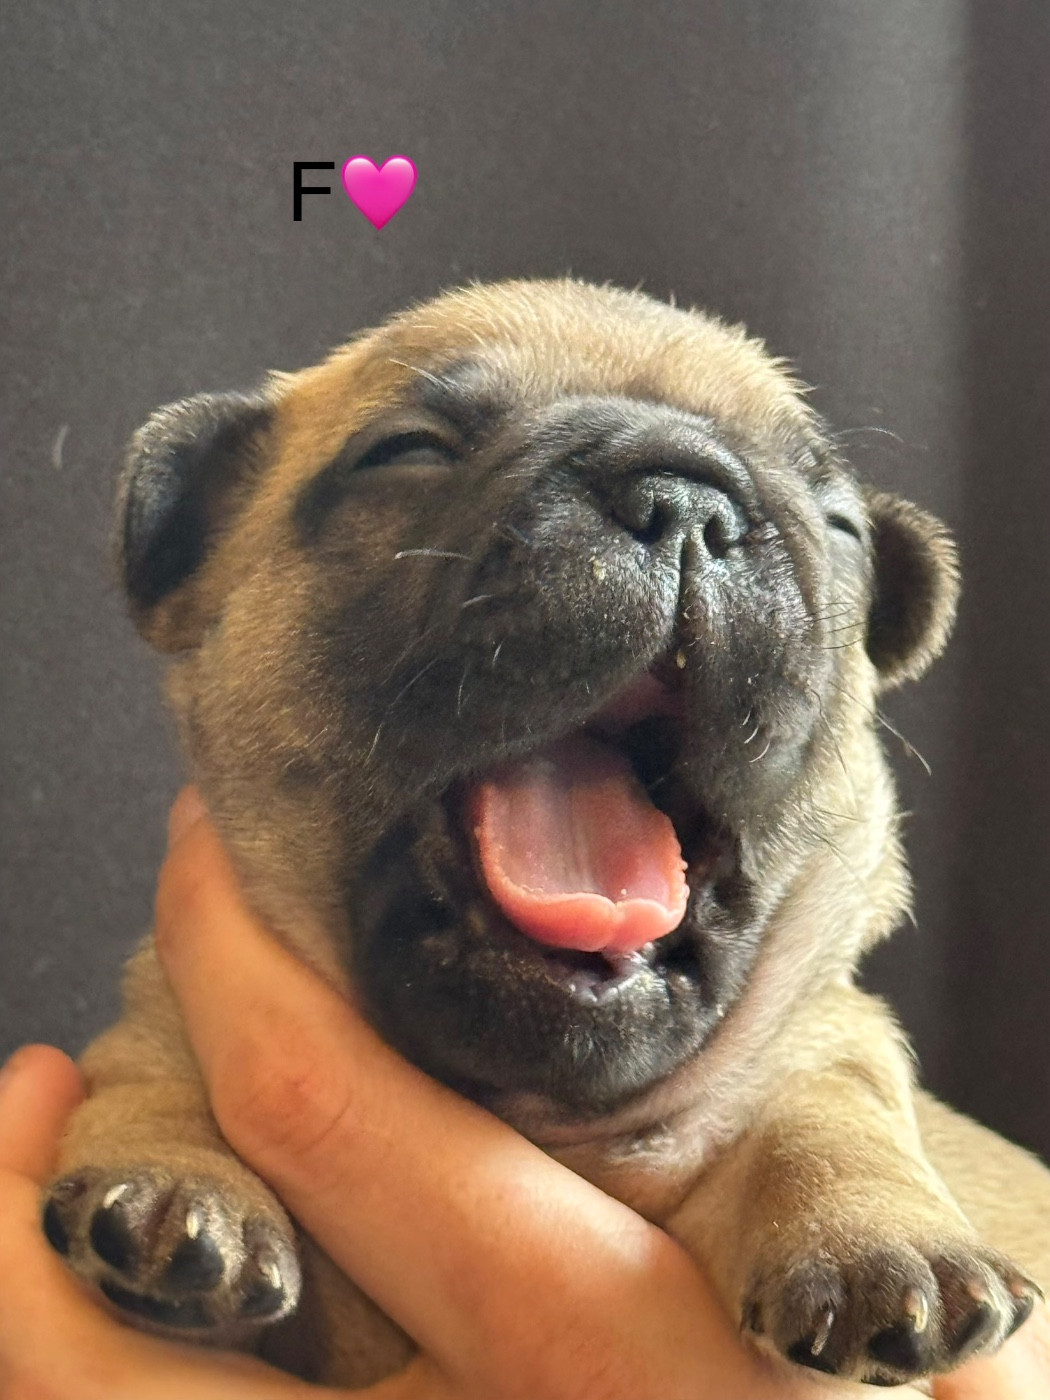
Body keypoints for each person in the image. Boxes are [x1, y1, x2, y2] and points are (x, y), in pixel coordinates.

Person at [1, 793, 1046, 1399]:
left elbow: (817, 1117)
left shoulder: (796, 1045)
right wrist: (170, 1152)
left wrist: (844, 1206)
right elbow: (148, 1089)